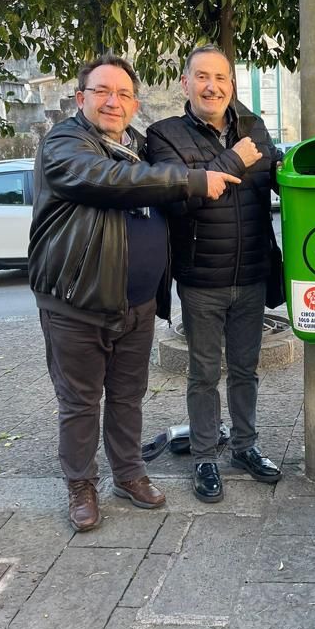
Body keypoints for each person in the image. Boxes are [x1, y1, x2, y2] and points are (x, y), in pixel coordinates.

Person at [29, 54, 240, 531]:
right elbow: (110, 182)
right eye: (102, 91)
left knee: (128, 396)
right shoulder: (66, 144)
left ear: (134, 103)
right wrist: (189, 180)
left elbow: (162, 188)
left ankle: (128, 473)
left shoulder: (140, 147)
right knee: (80, 401)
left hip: (138, 304)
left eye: (123, 93)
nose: (113, 101)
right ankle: (81, 485)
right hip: (77, 303)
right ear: (81, 98)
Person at [147, 44, 282, 504]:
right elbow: (176, 196)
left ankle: (245, 446)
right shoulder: (162, 135)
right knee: (204, 374)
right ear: (186, 83)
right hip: (202, 279)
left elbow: (275, 179)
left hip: (252, 275)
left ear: (231, 84)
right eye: (202, 77)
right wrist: (233, 161)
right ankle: (205, 455)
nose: (212, 86)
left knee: (246, 370)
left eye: (221, 78)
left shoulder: (254, 129)